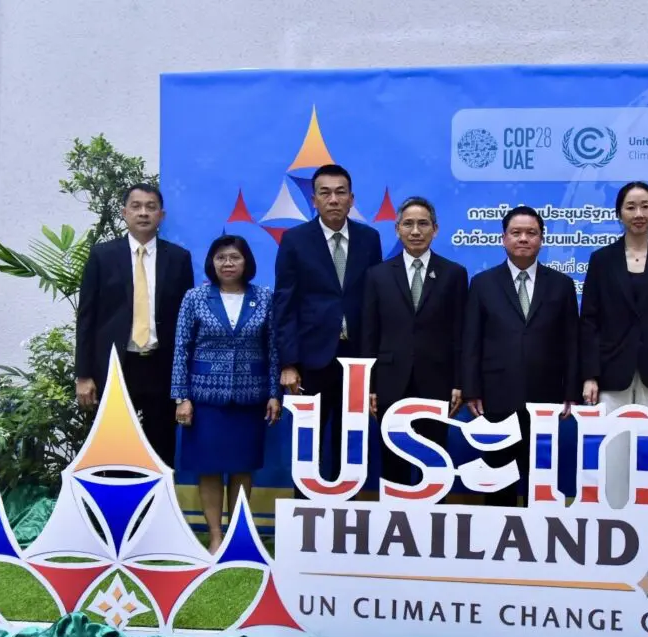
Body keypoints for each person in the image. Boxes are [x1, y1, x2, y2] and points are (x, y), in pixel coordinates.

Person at [580, 181, 648, 509]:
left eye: (645, 206)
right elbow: (589, 320)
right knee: (612, 449)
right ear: (619, 213)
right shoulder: (602, 259)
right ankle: (612, 519)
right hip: (611, 369)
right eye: (630, 207)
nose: (638, 213)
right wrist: (589, 374)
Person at [462, 205, 580, 507]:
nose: (524, 238)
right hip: (496, 396)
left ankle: (539, 532)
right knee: (498, 479)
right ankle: (497, 532)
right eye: (516, 233)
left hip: (546, 398)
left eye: (531, 233)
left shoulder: (562, 285)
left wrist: (570, 391)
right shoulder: (483, 283)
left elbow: (571, 342)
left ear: (542, 238)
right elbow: (472, 341)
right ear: (504, 238)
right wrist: (472, 389)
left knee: (541, 481)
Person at [170, 235, 281, 553]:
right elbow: (181, 348)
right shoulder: (195, 298)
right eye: (221, 258)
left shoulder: (264, 297)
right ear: (212, 263)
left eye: (235, 257)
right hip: (204, 400)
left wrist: (274, 393)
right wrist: (181, 396)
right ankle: (216, 535)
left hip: (250, 398)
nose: (228, 263)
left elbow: (273, 349)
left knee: (242, 468)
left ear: (246, 262)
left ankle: (237, 535)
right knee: (208, 468)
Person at [274, 164, 382, 483]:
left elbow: (375, 301)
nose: (333, 199)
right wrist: (288, 363)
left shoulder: (369, 239)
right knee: (309, 444)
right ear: (314, 200)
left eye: (340, 192)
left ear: (351, 199)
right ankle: (306, 509)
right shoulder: (295, 240)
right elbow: (285, 304)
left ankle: (344, 506)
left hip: (357, 360)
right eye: (325, 193)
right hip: (312, 359)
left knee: (350, 442)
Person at [75, 183, 194, 468]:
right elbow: (87, 317)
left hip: (161, 366)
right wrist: (83, 375)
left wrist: (184, 380)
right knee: (114, 447)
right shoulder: (102, 256)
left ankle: (159, 497)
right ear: (124, 212)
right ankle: (115, 498)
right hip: (116, 366)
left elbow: (186, 322)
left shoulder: (178, 258)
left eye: (151, 207)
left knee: (161, 448)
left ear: (161, 215)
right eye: (136, 206)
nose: (143, 213)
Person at [361, 197, 468, 487]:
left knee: (434, 462)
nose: (416, 231)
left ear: (435, 229)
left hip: (437, 381)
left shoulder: (454, 274)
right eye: (408, 224)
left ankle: (432, 516)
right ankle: (395, 515)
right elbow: (370, 333)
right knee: (392, 462)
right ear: (397, 229)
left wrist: (459, 382)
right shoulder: (377, 275)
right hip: (390, 382)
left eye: (423, 224)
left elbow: (461, 333)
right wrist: (369, 386)